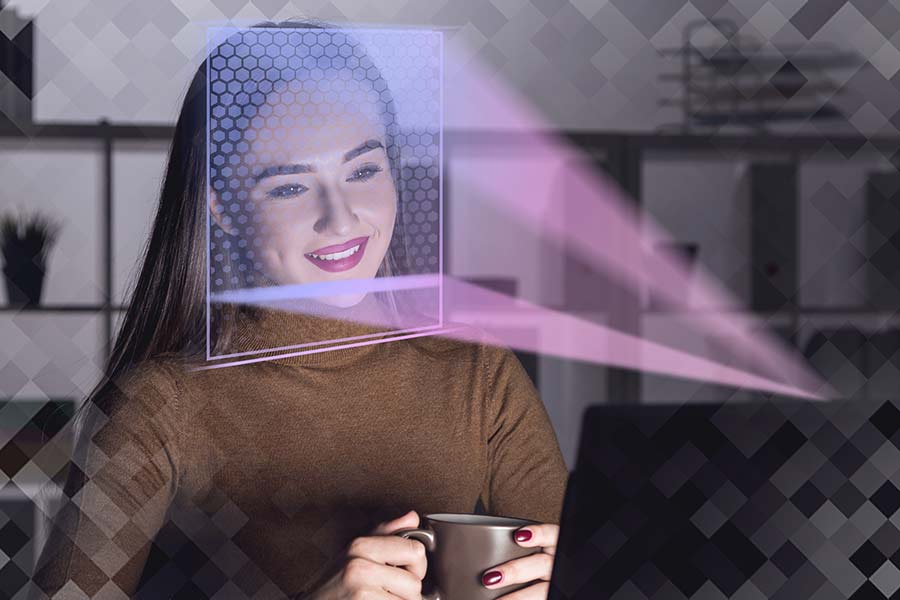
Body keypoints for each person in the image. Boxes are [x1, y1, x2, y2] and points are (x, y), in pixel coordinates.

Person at [29, 19, 568, 600]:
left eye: (363, 170)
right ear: (224, 209)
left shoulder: (478, 370)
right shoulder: (157, 405)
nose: (341, 219)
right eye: (289, 186)